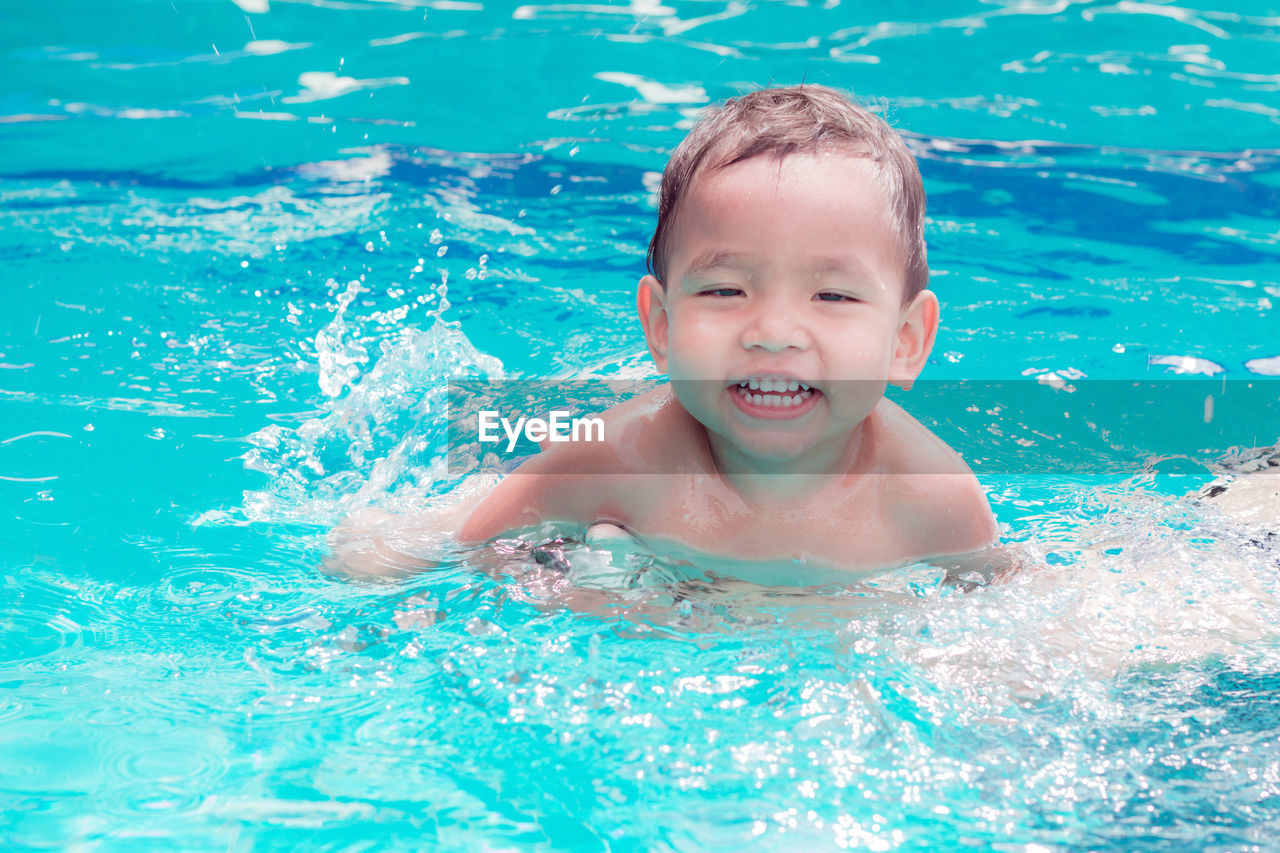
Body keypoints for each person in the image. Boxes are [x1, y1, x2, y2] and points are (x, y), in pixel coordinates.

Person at [334, 85, 999, 579]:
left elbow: (1004, 606)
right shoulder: (620, 458)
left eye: (832, 293)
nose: (773, 332)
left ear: (907, 340)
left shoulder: (930, 493)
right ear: (661, 324)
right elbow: (461, 548)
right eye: (724, 290)